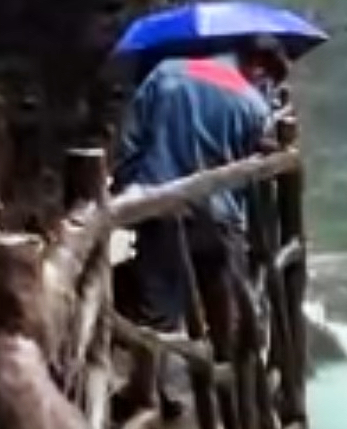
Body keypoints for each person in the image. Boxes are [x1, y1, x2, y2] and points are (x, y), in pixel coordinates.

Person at [113, 41, 291, 372]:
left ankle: (150, 391)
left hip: (159, 207)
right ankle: (229, 395)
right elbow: (254, 172)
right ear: (258, 67)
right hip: (221, 219)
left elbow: (130, 143)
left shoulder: (166, 72)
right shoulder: (252, 104)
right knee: (224, 311)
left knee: (158, 309)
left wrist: (130, 192)